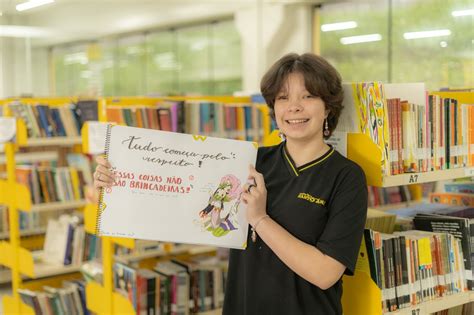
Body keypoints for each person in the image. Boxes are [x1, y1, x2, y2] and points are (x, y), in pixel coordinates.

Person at [93, 52, 368, 315]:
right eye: (283, 98)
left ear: (328, 107)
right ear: (274, 107)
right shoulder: (249, 161)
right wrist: (118, 183)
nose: (294, 107)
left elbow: (325, 273)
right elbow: (182, 205)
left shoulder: (346, 177)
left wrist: (260, 219)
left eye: (307, 96)